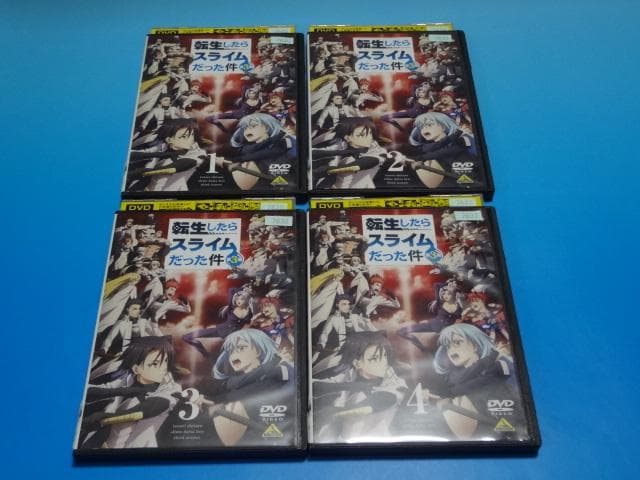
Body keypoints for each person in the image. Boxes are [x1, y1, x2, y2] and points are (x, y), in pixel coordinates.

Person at [81, 336, 182, 449]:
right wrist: (125, 391)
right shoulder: (128, 380)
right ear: (136, 369)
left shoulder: (171, 388)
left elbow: (147, 409)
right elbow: (96, 390)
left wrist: (105, 418)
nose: (164, 368)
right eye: (155, 364)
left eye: (166, 361)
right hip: (106, 444)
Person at [204, 329, 294, 446]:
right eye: (231, 351)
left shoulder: (280, 371)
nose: (234, 355)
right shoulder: (234, 382)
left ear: (258, 350)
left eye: (241, 348)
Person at [313, 331, 407, 442]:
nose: (384, 362)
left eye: (385, 356)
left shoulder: (394, 382)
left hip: (373, 442)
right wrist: (352, 386)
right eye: (374, 359)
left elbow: (378, 402)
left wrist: (334, 413)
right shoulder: (350, 374)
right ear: (357, 364)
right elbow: (315, 387)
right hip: (337, 441)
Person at [430, 323, 519, 439]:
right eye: (448, 347)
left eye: (457, 343)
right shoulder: (456, 377)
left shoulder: (500, 367)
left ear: (475, 346)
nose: (451, 351)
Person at [128, 118, 210, 192]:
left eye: (192, 135)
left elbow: (180, 165)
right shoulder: (162, 146)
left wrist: (146, 172)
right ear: (169, 139)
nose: (191, 140)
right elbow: (139, 153)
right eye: (184, 136)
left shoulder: (197, 153)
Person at [408, 111, 478, 188]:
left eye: (429, 125)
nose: (424, 129)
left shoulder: (460, 140)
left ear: (443, 127)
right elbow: (437, 147)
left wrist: (421, 158)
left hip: (469, 179)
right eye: (421, 127)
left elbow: (445, 151)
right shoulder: (430, 147)